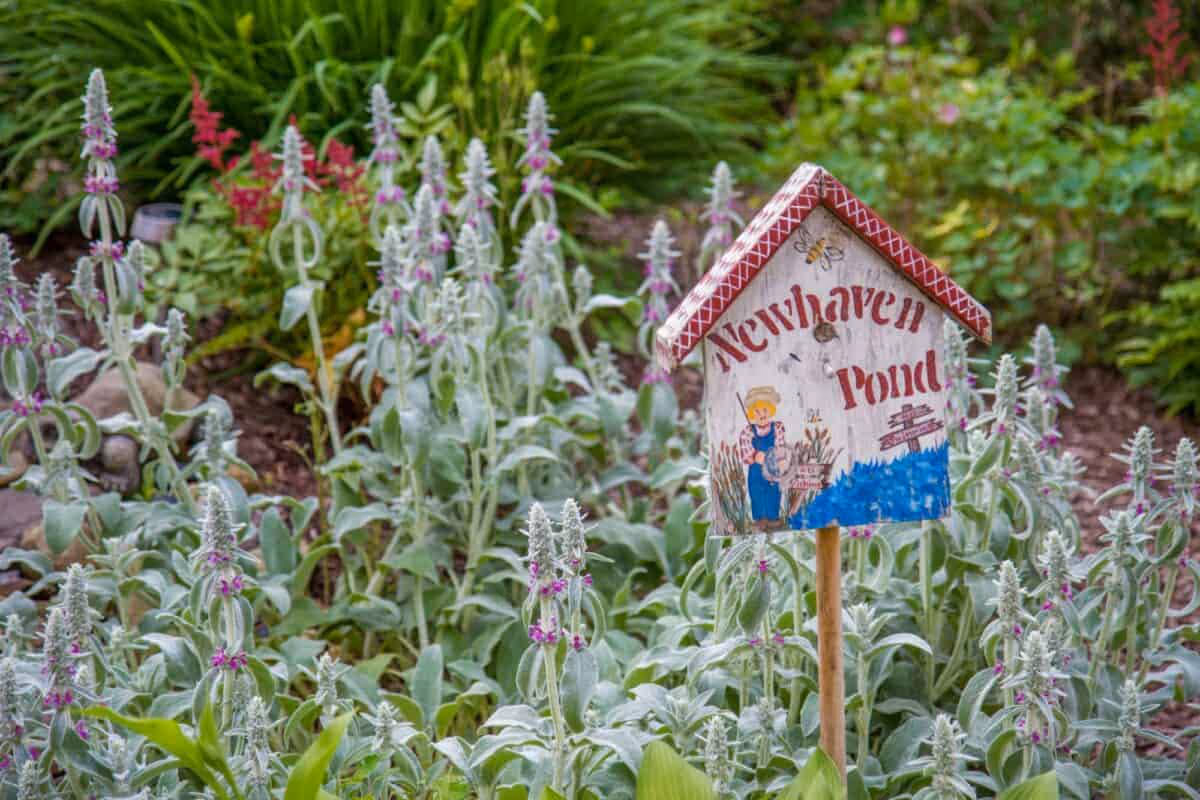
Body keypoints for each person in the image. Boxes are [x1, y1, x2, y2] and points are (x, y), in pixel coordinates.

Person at [738, 386, 785, 525]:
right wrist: (754, 455)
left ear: (770, 410)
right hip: (756, 470)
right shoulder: (748, 432)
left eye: (765, 410)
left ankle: (773, 518)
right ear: (752, 414)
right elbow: (745, 452)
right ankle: (760, 519)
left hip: (772, 468)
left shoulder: (777, 428)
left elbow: (781, 448)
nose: (762, 414)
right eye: (757, 411)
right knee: (757, 492)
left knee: (773, 491)